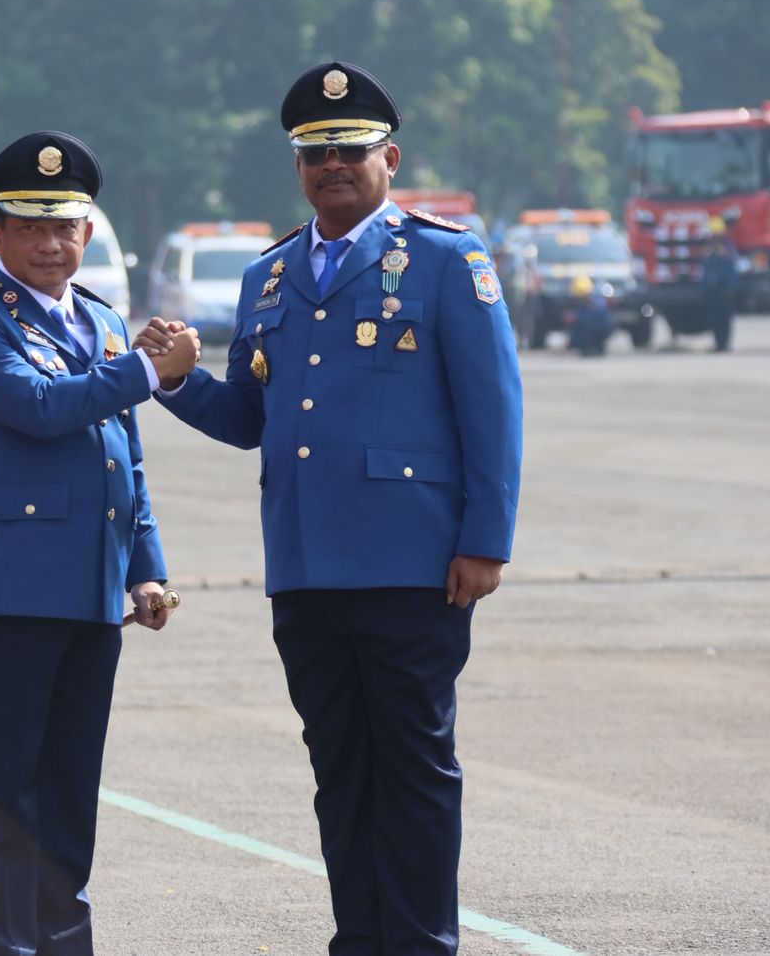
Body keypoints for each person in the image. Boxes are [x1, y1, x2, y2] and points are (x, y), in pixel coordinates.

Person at [137, 61, 522, 956]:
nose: (332, 167)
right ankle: (361, 940)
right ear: (298, 167)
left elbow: (492, 410)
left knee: (415, 770)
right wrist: (179, 382)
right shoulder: (269, 277)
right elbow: (250, 419)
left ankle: (422, 943)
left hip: (413, 567)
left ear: (390, 157)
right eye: (315, 154)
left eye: (350, 151)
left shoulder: (444, 258)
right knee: (340, 771)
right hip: (307, 570)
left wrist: (485, 542)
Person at [0, 131, 197, 956]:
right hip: (6, 595)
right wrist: (150, 373)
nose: (52, 245)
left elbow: (126, 463)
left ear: (89, 233)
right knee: (3, 799)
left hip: (88, 594)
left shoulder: (104, 321)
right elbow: (43, 408)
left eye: (68, 228)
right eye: (32, 228)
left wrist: (147, 570)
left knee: (70, 797)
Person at [701, 215, 738, 352]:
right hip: (712, 289)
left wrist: (731, 286)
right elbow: (705, 270)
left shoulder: (728, 248)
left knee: (724, 317)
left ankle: (724, 343)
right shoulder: (708, 249)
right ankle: (718, 343)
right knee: (714, 317)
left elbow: (732, 269)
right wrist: (704, 286)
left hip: (723, 288)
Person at [567, 274, 615, 357]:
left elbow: (607, 325)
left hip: (595, 338)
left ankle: (593, 347)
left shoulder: (597, 307)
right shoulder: (580, 307)